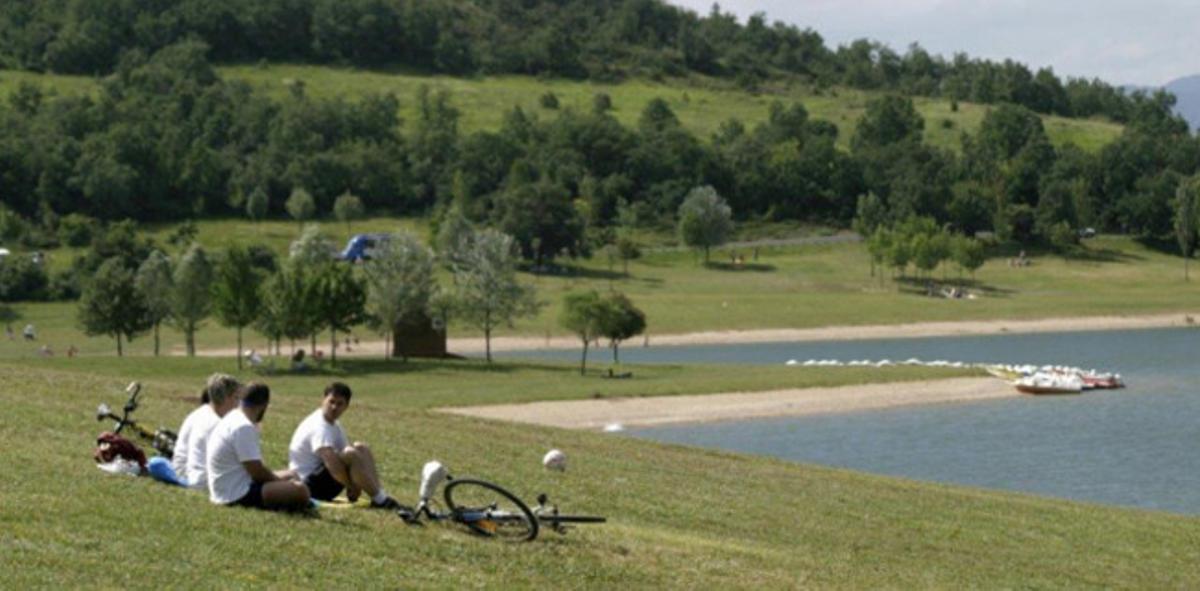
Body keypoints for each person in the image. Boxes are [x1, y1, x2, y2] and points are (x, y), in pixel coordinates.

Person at [288, 382, 400, 509]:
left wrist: (356, 482)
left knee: (361, 447)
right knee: (350, 454)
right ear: (323, 400)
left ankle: (380, 495)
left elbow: (350, 455)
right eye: (331, 402)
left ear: (346, 406)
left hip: (320, 479)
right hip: (306, 486)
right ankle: (381, 500)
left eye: (339, 403)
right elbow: (333, 464)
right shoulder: (319, 426)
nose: (334, 407)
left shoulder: (334, 425)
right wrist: (351, 486)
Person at [206, 382, 310, 510]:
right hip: (235, 494)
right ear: (263, 406)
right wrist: (278, 481)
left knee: (293, 474)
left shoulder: (233, 417)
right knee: (300, 490)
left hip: (227, 487)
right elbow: (257, 473)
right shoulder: (243, 426)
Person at [147, 374, 241, 488]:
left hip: (181, 471)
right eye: (236, 398)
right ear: (227, 398)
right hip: (200, 481)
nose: (239, 404)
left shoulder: (199, 413)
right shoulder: (217, 425)